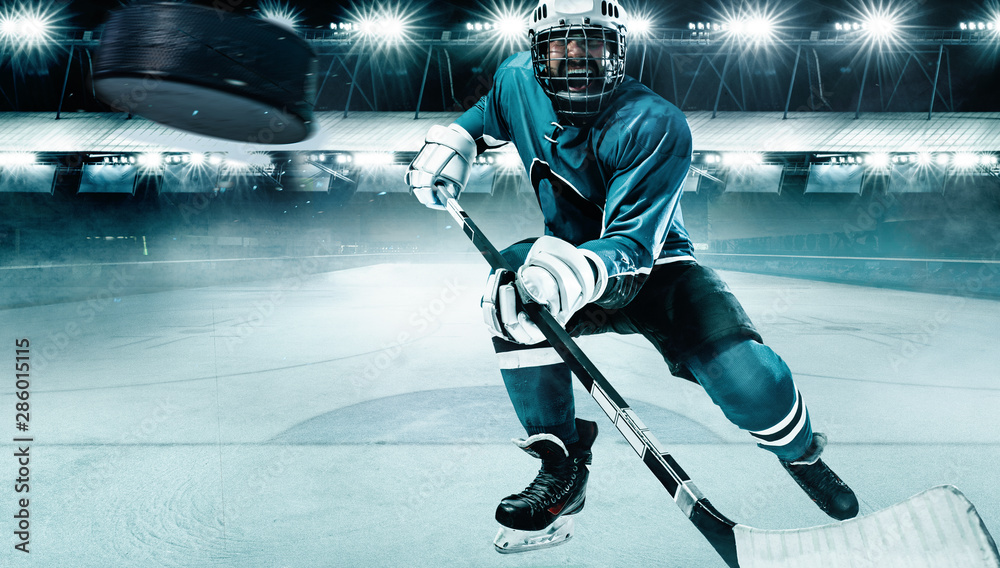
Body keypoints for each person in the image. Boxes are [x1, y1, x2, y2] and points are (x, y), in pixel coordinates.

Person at [406, 0, 859, 553]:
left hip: (654, 268)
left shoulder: (656, 122)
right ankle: (562, 466)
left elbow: (633, 246)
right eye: (562, 47)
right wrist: (454, 142)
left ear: (618, 49)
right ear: (537, 52)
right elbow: (488, 115)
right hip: (564, 258)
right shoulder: (514, 79)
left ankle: (802, 453)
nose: (577, 61)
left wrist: (566, 274)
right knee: (507, 299)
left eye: (592, 45)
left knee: (751, 381)